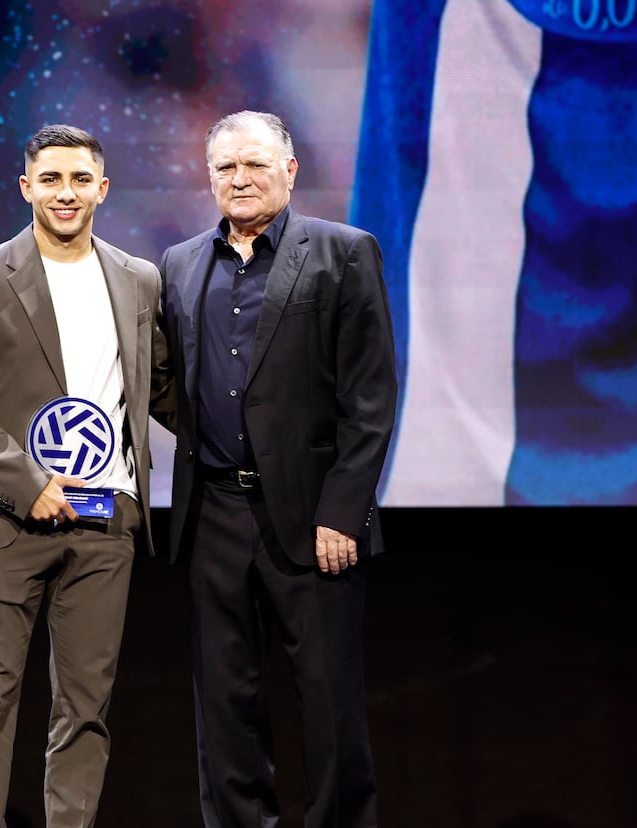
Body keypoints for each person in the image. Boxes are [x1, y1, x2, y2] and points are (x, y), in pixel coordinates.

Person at [157, 110, 397, 827]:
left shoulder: (344, 252)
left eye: (256, 164)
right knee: (225, 712)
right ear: (209, 178)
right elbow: (174, 385)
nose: (240, 179)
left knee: (329, 707)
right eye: (226, 167)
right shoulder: (178, 263)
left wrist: (342, 509)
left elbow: (371, 396)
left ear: (290, 171)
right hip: (212, 517)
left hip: (314, 519)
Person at [0, 124, 168, 828]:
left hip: (105, 523)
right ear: (26, 187)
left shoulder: (138, 278)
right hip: (10, 522)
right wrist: (29, 483)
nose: (65, 193)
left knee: (86, 705)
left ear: (102, 188)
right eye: (51, 179)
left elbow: (157, 387)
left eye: (79, 180)